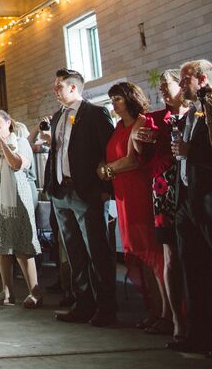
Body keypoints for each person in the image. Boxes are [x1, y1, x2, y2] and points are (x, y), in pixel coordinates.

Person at [45, 68, 116, 326]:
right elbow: (57, 153)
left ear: (73, 88)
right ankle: (83, 303)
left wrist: (106, 189)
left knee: (96, 249)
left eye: (59, 86)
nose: (55, 90)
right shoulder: (57, 117)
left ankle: (106, 307)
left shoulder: (95, 113)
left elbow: (107, 150)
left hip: (87, 191)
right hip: (61, 192)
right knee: (74, 252)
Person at [98, 82, 171, 333]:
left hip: (139, 191)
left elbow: (132, 160)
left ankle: (168, 312)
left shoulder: (142, 122)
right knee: (139, 254)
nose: (114, 103)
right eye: (112, 99)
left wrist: (107, 170)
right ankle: (154, 309)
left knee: (153, 253)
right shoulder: (118, 127)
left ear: (130, 98)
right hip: (122, 194)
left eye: (117, 98)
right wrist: (107, 168)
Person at [0, 110, 42, 307]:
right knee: (1, 246)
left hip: (17, 199)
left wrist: (0, 142)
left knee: (22, 244)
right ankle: (7, 291)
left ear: (8, 123)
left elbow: (17, 163)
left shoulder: (19, 141)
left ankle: (35, 291)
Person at [169, 59, 212, 355]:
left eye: (186, 80)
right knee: (192, 269)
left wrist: (190, 150)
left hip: (208, 195)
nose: (183, 85)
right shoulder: (191, 112)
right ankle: (198, 334)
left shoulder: (209, 107)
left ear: (203, 78)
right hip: (187, 197)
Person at [144, 68, 187, 339]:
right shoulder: (158, 120)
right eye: (159, 85)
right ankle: (176, 322)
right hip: (164, 194)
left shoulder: (198, 116)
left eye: (166, 84)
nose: (161, 89)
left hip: (190, 192)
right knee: (169, 256)